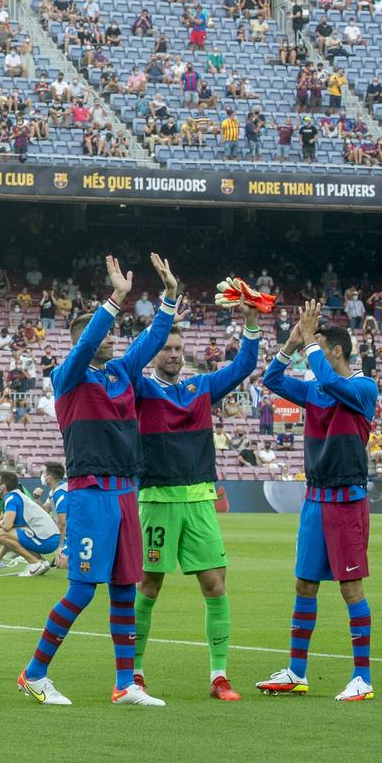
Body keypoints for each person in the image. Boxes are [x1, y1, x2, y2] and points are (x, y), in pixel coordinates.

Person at [20, 255, 177, 708]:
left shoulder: (120, 372)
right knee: (82, 590)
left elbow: (154, 339)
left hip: (127, 493)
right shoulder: (66, 378)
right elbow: (88, 339)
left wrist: (169, 295)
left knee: (126, 588)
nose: (110, 339)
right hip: (90, 494)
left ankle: (125, 683)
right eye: (103, 334)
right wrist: (115, 300)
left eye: (111, 332)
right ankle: (33, 674)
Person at [132, 285, 262, 700]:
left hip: (200, 500)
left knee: (215, 586)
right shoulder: (139, 388)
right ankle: (133, 673)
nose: (173, 353)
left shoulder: (201, 387)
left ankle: (218, 676)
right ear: (155, 351)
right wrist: (163, 312)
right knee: (149, 587)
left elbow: (244, 365)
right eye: (166, 347)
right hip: (156, 500)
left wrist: (252, 321)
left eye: (178, 347)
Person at [255, 301, 380, 702]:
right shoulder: (316, 391)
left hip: (346, 501)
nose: (314, 355)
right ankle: (296, 671)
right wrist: (292, 343)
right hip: (315, 499)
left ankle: (362, 677)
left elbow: (330, 379)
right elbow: (272, 379)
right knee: (304, 583)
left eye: (320, 347)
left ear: (337, 351)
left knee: (350, 588)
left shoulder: (362, 389)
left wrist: (309, 341)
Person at [0, 470, 62, 575]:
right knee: (5, 533)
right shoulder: (18, 496)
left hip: (46, 540)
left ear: (3, 486)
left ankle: (35, 563)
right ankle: (41, 562)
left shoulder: (11, 498)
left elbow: (6, 528)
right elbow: (11, 537)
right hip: (50, 538)